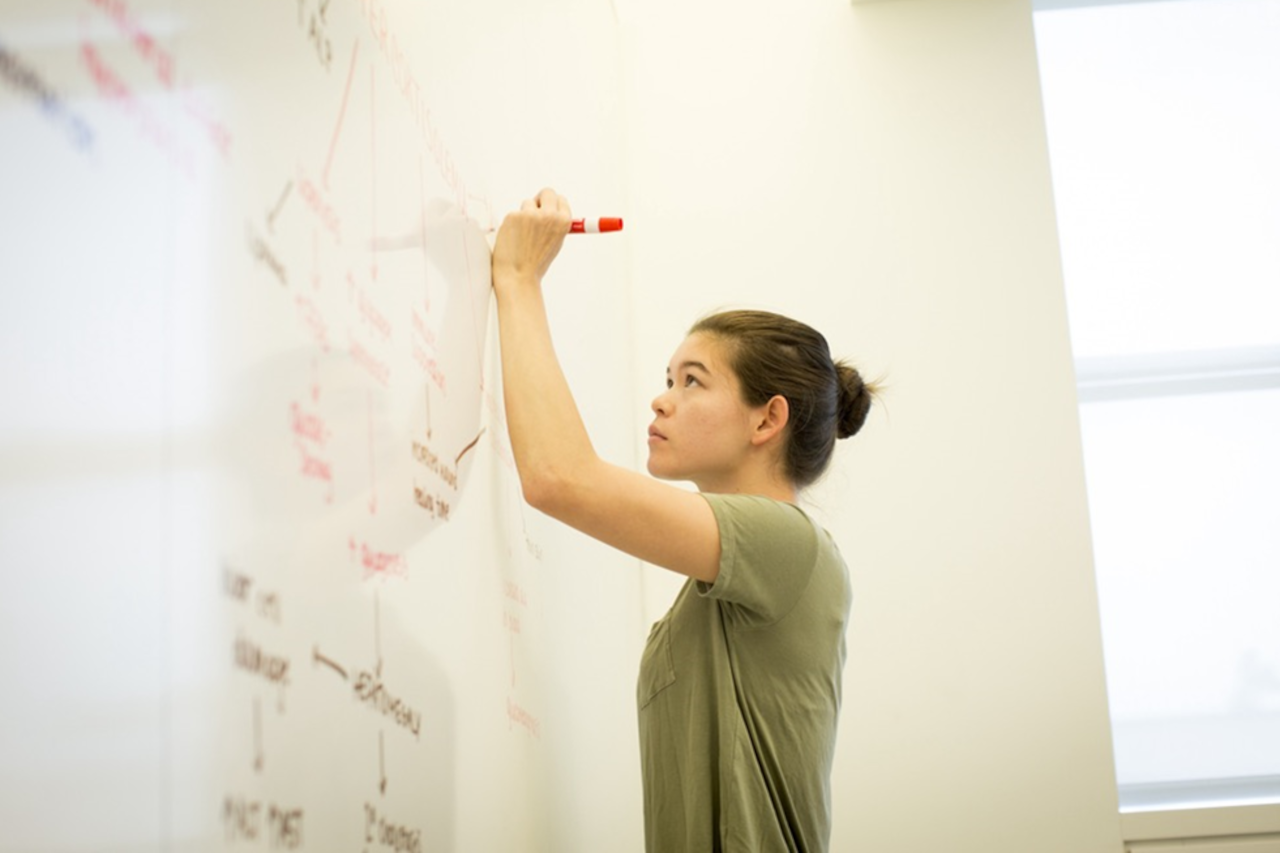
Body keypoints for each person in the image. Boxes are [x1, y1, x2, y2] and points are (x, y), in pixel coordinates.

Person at [490, 188, 876, 853]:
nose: (661, 400)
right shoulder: (718, 586)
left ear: (767, 418)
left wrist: (518, 277)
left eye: (691, 381)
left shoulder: (789, 544)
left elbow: (559, 476)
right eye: (669, 378)